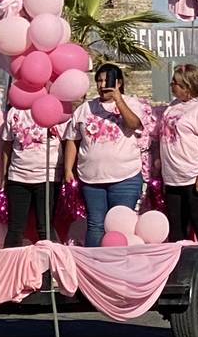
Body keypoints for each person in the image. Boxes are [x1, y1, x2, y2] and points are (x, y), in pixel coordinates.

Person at [63, 63, 152, 247]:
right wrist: (67, 169)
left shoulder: (131, 103)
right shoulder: (85, 109)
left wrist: (118, 100)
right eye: (99, 81)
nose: (103, 85)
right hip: (92, 179)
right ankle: (94, 267)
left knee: (120, 226)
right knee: (95, 225)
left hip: (125, 178)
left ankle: (120, 268)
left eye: (107, 80)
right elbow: (72, 138)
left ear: (118, 82)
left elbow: (134, 124)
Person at [159, 64, 198, 242]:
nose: (172, 85)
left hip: (195, 173)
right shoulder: (172, 106)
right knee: (176, 227)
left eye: (176, 83)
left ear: (188, 86)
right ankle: (180, 265)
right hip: (173, 176)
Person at [0, 106, 70, 247]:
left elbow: (67, 142)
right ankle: (11, 266)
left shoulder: (54, 108)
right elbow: (7, 145)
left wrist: (66, 171)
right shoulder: (15, 111)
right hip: (17, 177)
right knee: (15, 229)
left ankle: (50, 265)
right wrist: (5, 174)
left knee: (45, 228)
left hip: (47, 178)